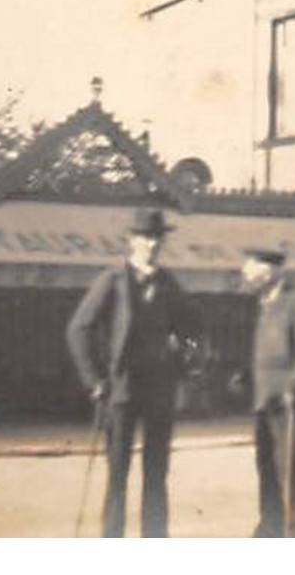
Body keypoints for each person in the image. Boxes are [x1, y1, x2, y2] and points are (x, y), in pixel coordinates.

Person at [65, 208, 199, 537]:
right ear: (132, 241)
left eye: (157, 238)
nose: (151, 244)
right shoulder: (112, 280)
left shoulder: (169, 283)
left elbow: (194, 330)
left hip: (160, 390)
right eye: (145, 238)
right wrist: (95, 380)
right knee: (118, 473)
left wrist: (183, 363)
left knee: (156, 472)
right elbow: (79, 329)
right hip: (120, 390)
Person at [241, 248, 295, 538]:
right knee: (266, 467)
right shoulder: (264, 305)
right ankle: (271, 529)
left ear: (272, 270)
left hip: (291, 404)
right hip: (264, 401)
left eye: (252, 267)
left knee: (293, 470)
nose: (247, 274)